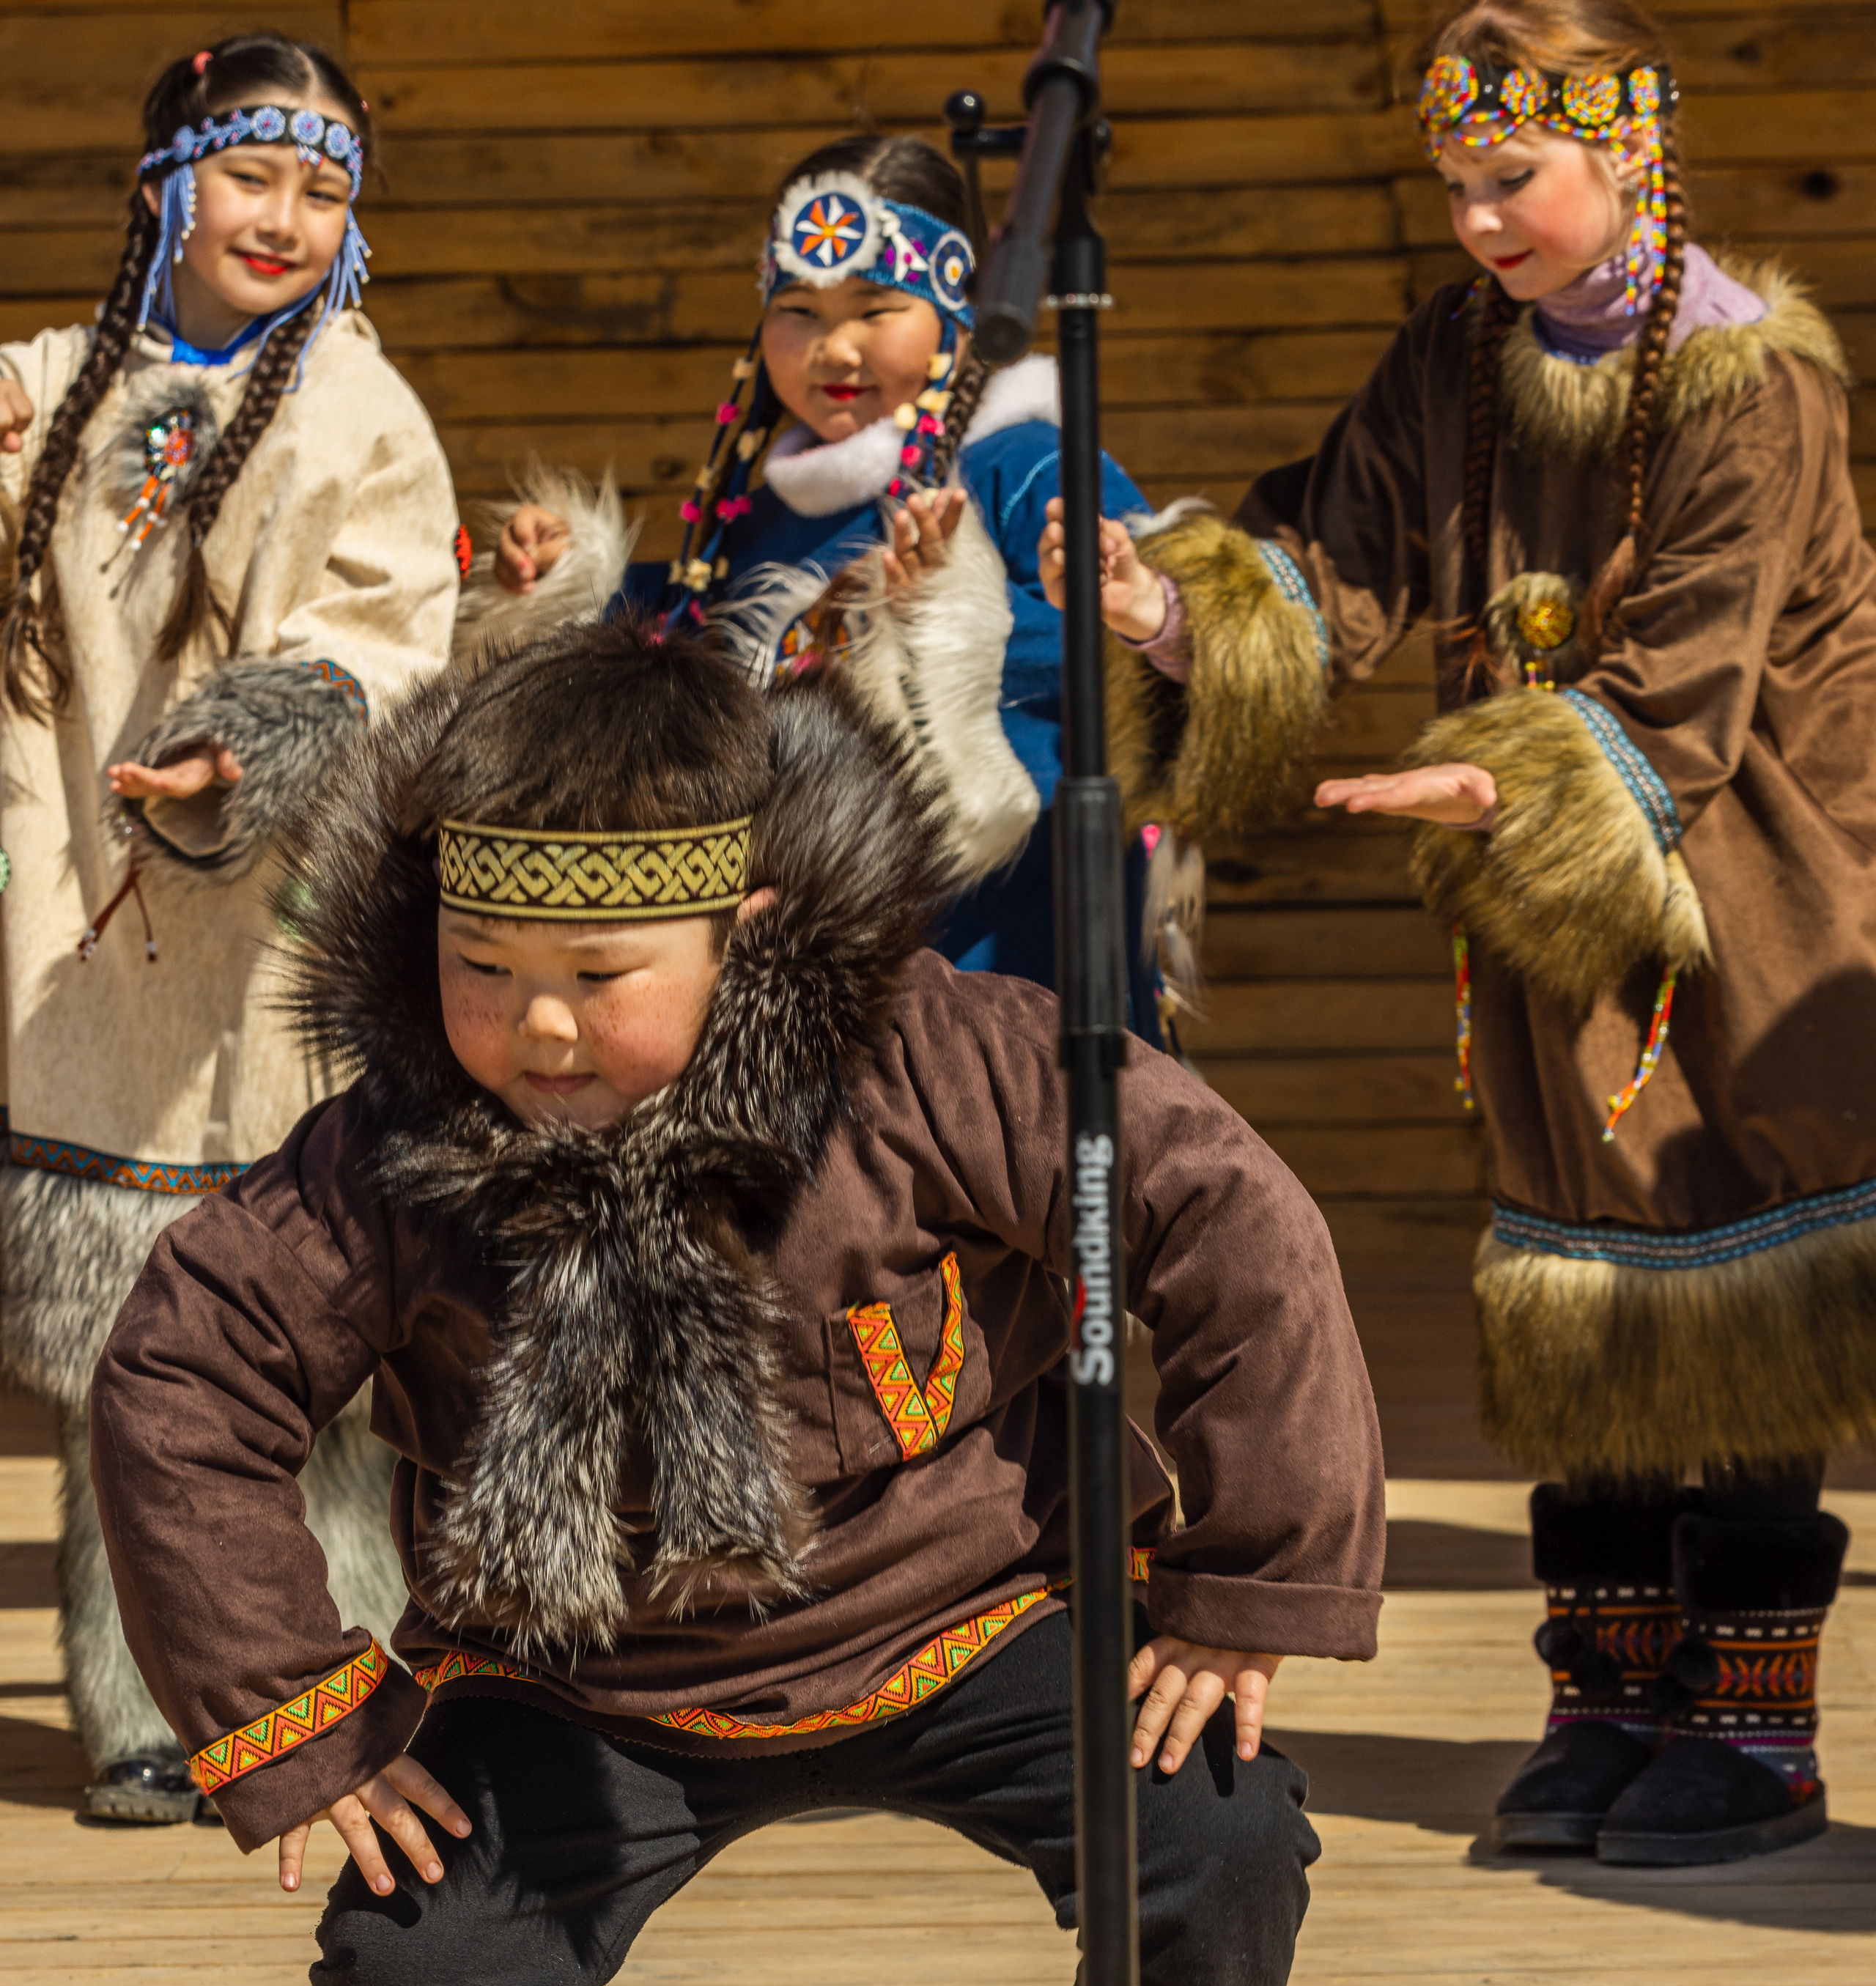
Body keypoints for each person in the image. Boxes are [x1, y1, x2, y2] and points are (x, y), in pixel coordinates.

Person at [90, 621, 1384, 1986]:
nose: (536, 1026)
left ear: (746, 926)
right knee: (413, 1966)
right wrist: (297, 1716)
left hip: (971, 1606)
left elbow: (1229, 1222)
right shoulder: (384, 1149)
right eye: (481, 967)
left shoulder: (940, 1062)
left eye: (596, 973)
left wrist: (1247, 1585)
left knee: (1216, 1840)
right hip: (574, 1675)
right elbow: (183, 1376)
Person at [1047, 0, 1876, 1869]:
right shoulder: (1456, 353)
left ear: (1628, 149)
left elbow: (1689, 681)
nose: (1477, 220)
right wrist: (1168, 613)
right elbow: (1337, 550)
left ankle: (1753, 1726)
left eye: (1510, 176)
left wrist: (1506, 778)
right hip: (1537, 878)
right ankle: (1606, 1694)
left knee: (1736, 1280)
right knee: (1578, 1274)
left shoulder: (1750, 388)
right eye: (1451, 184)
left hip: (1741, 880)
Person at [0, 31, 461, 1823]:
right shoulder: (51, 391)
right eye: (250, 174)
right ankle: (140, 1704)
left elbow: (387, 634)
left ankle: (329, 1679)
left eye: (321, 189)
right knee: (122, 1353)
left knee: (313, 1348)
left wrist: (252, 745)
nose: (283, 215)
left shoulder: (357, 406)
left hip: (282, 941)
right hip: (88, 936)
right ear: (165, 188)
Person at [468, 133, 1178, 1041]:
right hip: (818, 985)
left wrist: (940, 632)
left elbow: (1133, 655)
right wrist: (564, 580)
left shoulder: (1025, 465)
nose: (833, 348)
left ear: (957, 315)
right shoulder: (755, 518)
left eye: (875, 308)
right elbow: (685, 645)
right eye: (798, 311)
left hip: (1010, 960)